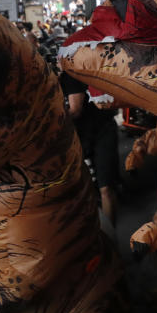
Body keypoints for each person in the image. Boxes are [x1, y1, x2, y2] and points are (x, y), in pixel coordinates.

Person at [61, 72, 120, 229]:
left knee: (105, 189)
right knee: (100, 190)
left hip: (100, 132)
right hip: (88, 133)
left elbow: (75, 109)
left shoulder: (71, 75)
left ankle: (111, 237)